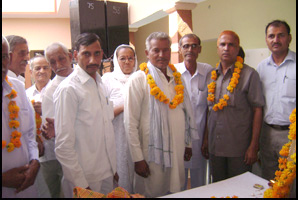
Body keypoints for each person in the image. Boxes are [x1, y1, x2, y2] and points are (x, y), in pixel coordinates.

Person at [124, 31, 199, 197]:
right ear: (146, 53)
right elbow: (130, 123)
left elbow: (186, 113)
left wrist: (188, 144)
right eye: (156, 50)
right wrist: (138, 159)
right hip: (151, 155)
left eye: (166, 50)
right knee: (152, 191)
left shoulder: (177, 78)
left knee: (175, 190)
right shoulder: (139, 79)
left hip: (177, 148)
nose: (161, 55)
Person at [53, 33, 118, 197]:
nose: (92, 60)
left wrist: (113, 169)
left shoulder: (100, 83)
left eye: (96, 54)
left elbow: (106, 127)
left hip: (107, 172)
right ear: (75, 55)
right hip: (85, 178)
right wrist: (81, 185)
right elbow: (63, 146)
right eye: (86, 54)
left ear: (102, 54)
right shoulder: (68, 89)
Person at [201, 30, 265, 183]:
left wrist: (254, 146)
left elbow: (258, 110)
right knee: (217, 186)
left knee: (239, 187)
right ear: (217, 49)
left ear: (237, 49)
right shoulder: (211, 76)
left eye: (231, 45)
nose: (226, 48)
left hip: (239, 148)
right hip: (215, 147)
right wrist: (205, 140)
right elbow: (209, 111)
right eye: (222, 44)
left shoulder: (249, 75)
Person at [256, 20, 296, 181]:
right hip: (267, 133)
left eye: (281, 35)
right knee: (269, 178)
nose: (276, 40)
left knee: (291, 182)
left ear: (289, 38)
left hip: (292, 136)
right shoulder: (261, 68)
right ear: (266, 40)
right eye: (271, 36)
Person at [2, 35, 40, 198]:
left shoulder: (17, 86)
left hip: (27, 186)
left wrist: (35, 162)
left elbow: (30, 135)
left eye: (3, 56)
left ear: (8, 58)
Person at [175, 34, 213, 189]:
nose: (189, 49)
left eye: (193, 46)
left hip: (200, 138)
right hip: (179, 138)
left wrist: (206, 139)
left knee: (200, 182)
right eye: (185, 46)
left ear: (199, 49)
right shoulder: (173, 73)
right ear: (179, 50)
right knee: (179, 181)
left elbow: (210, 109)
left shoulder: (209, 71)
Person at [39, 42, 74, 198]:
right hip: (65, 156)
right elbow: (50, 130)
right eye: (53, 62)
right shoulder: (51, 90)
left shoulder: (85, 77)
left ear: (70, 56)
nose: (59, 65)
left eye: (62, 58)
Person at [102, 44, 138, 193]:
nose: (127, 62)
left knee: (138, 174)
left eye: (130, 58)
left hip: (138, 135)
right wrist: (125, 106)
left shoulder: (141, 77)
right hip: (116, 136)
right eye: (122, 58)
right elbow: (102, 111)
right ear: (116, 61)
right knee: (121, 173)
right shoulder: (108, 79)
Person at [25, 54, 52, 198]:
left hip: (58, 152)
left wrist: (46, 110)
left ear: (50, 70)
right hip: (36, 156)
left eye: (45, 67)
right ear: (31, 72)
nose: (42, 71)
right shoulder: (25, 94)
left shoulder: (59, 90)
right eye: (37, 68)